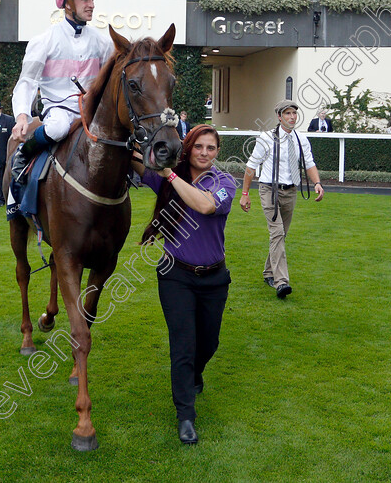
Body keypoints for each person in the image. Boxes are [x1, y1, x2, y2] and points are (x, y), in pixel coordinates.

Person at [132, 124, 236, 446]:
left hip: (214, 278)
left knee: (209, 343)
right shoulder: (166, 176)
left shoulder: (224, 182)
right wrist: (136, 144)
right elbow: (135, 161)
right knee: (183, 345)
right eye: (199, 147)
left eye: (211, 148)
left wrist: (170, 176)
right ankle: (185, 417)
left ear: (217, 152)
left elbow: (204, 205)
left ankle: (194, 374)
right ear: (188, 148)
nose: (204, 153)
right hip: (175, 274)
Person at [10, 0, 112, 179]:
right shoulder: (44, 41)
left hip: (92, 111)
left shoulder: (103, 43)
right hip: (59, 109)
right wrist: (21, 116)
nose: (91, 4)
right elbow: (27, 81)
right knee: (57, 129)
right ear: (68, 4)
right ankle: (24, 153)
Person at [239, 100, 324, 299]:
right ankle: (281, 282)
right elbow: (251, 167)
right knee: (277, 233)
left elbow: (309, 163)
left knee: (281, 234)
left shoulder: (301, 139)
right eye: (287, 113)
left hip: (291, 190)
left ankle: (269, 272)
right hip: (269, 189)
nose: (292, 117)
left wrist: (317, 183)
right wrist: (244, 194)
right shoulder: (266, 138)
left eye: (294, 113)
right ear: (279, 117)